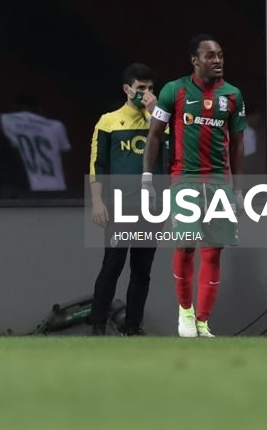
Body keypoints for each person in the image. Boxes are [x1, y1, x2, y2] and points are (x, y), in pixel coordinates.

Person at [143, 34, 246, 338]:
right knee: (186, 245)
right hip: (184, 178)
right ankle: (185, 313)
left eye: (221, 55)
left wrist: (238, 189)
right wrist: (147, 178)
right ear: (195, 61)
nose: (218, 61)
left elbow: (238, 144)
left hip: (218, 181)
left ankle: (202, 321)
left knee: (213, 253)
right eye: (211, 56)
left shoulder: (233, 95)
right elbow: (154, 135)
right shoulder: (173, 90)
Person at [88, 63, 162, 336]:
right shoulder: (108, 121)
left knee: (142, 270)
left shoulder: (160, 122)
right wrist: (97, 202)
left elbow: (172, 154)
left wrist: (156, 115)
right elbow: (98, 164)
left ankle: (132, 326)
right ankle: (97, 325)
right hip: (120, 206)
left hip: (153, 208)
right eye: (141, 88)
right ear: (127, 88)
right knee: (113, 265)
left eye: (151, 88)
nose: (147, 93)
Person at [0, 95, 71, 191]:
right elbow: (65, 153)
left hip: (26, 188)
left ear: (14, 107)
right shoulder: (56, 126)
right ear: (40, 109)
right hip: (55, 186)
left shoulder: (4, 120)